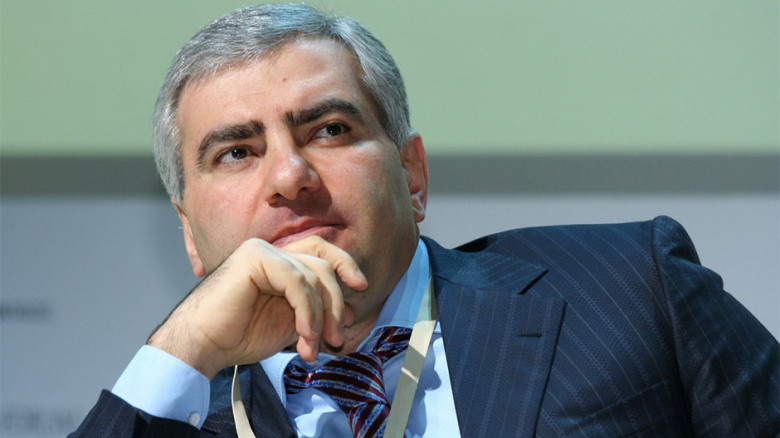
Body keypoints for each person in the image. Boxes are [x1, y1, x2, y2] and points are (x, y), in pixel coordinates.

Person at [71, 4, 778, 437]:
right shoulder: (176, 420)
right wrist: (186, 343)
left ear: (412, 176)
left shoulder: (632, 289)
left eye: (328, 130)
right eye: (236, 152)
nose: (290, 176)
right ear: (189, 235)